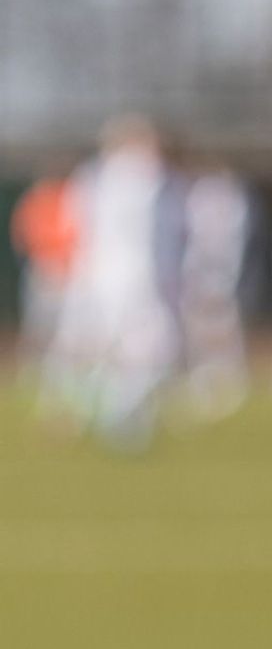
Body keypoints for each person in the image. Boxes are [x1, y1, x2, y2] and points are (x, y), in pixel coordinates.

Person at [43, 116, 187, 449]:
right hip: (131, 279)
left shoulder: (91, 177)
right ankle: (115, 415)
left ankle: (105, 414)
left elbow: (74, 225)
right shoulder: (140, 173)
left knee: (103, 353)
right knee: (155, 351)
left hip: (96, 276)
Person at [179, 157, 253, 420]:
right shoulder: (196, 200)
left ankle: (230, 386)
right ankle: (202, 385)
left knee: (223, 335)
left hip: (218, 277)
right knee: (199, 336)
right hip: (197, 277)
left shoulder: (232, 205)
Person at [10, 165, 78, 377]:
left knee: (67, 326)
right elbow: (24, 235)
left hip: (69, 272)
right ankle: (33, 366)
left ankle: (60, 368)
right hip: (45, 267)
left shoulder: (71, 199)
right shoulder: (35, 201)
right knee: (39, 324)